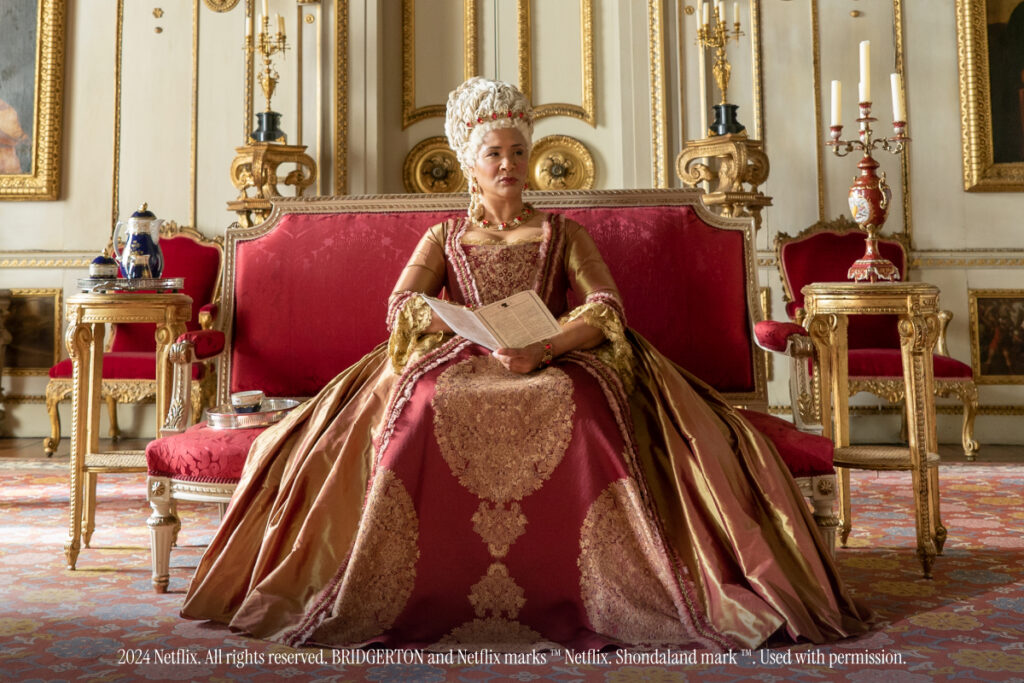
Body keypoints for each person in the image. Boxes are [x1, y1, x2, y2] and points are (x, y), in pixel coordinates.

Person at [182, 77, 872, 651]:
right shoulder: (443, 235)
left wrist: (542, 346)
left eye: (519, 151)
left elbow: (605, 309)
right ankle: (422, 584)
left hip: (552, 358)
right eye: (494, 152)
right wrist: (455, 324)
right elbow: (401, 305)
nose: (509, 163)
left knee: (577, 407)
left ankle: (587, 586)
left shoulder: (564, 231)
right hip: (464, 353)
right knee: (424, 406)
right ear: (468, 162)